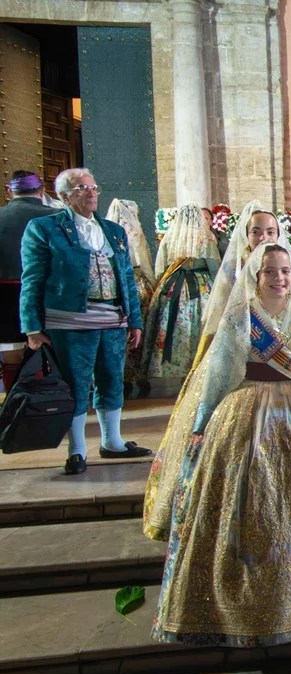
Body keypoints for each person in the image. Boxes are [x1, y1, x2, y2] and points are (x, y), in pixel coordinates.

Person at [153, 243, 291, 647]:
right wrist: (202, 422)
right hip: (248, 412)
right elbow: (220, 370)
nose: (279, 278)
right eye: (270, 271)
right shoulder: (241, 314)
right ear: (256, 275)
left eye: (285, 270)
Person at [142, 203, 291, 541]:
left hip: (281, 371)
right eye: (257, 231)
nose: (263, 237)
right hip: (236, 358)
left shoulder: (285, 266)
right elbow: (218, 317)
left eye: (270, 231)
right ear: (245, 235)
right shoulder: (235, 269)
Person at [20, 168, 151, 475]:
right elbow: (32, 279)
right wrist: (32, 327)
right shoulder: (44, 228)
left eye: (94, 187)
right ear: (64, 196)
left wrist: (135, 320)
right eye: (82, 188)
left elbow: (127, 278)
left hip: (113, 319)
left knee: (111, 378)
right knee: (76, 384)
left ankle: (113, 442)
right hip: (69, 321)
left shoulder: (113, 231)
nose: (91, 192)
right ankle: (77, 449)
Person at [141, 205, 219, 383]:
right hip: (200, 286)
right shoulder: (205, 238)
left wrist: (160, 287)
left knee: (171, 323)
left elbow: (161, 267)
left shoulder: (170, 238)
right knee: (200, 324)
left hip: (174, 286)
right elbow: (214, 267)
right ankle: (199, 365)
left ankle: (172, 367)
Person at [0, 171, 57, 382]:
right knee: (53, 350)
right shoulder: (57, 217)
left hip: (5, 296)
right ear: (42, 191)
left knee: (10, 351)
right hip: (49, 295)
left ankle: (15, 399)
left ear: (9, 191)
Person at [104, 199, 157, 397]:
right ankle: (139, 375)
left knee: (118, 330)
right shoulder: (135, 233)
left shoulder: (105, 230)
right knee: (138, 331)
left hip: (112, 285)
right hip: (136, 283)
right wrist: (153, 284)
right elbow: (143, 260)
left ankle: (121, 376)